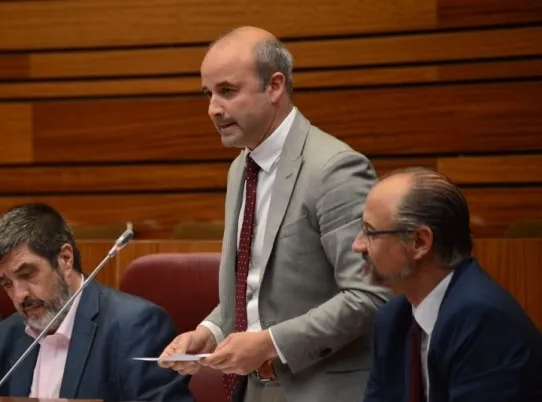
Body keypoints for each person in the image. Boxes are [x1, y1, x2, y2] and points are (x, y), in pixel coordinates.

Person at [158, 26, 392, 401]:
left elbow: (371, 294)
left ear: (275, 86)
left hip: (322, 390)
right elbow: (256, 289)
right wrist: (211, 332)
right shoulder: (241, 167)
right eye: (208, 93)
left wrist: (269, 343)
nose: (213, 108)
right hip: (253, 389)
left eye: (227, 91)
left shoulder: (334, 169)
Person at [0, 203, 194, 402]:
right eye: (7, 283)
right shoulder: (3, 339)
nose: (19, 296)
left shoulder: (135, 328)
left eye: (27, 274)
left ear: (65, 259)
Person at [356, 167, 542, 402]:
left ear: (420, 242)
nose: (357, 245)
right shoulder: (392, 320)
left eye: (370, 233)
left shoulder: (482, 320)